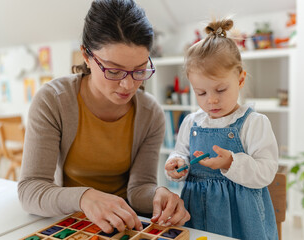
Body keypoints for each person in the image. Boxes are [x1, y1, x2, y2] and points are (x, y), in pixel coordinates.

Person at [18, 0, 190, 234]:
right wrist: (84, 198)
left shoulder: (150, 114)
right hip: (70, 221)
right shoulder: (53, 101)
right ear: (87, 56)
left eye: (139, 70)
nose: (128, 84)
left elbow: (139, 189)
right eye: (113, 70)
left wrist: (158, 195)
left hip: (125, 224)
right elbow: (30, 190)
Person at [164, 18, 279, 239]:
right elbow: (182, 154)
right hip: (196, 211)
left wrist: (230, 163)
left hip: (242, 219)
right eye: (201, 93)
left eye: (220, 89)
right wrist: (177, 163)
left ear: (241, 79)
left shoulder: (253, 123)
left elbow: (266, 172)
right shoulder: (191, 122)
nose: (211, 101)